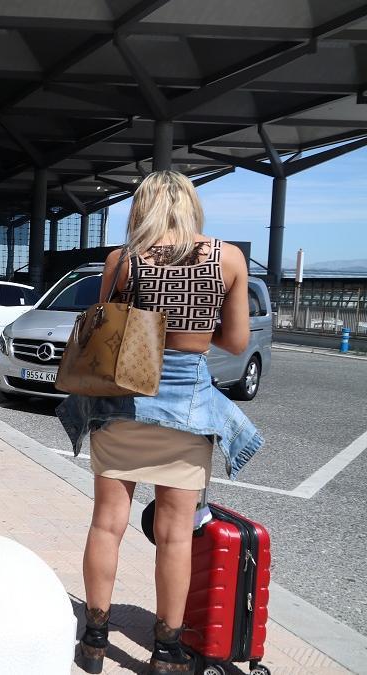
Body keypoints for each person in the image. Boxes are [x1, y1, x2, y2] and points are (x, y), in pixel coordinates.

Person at [55, 171, 263, 674]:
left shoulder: (123, 260)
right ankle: (167, 652)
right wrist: (192, 331)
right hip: (188, 411)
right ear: (191, 205)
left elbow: (104, 333)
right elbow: (236, 342)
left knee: (107, 524)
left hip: (122, 404)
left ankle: (95, 640)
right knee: (174, 535)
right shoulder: (227, 259)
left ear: (142, 206)